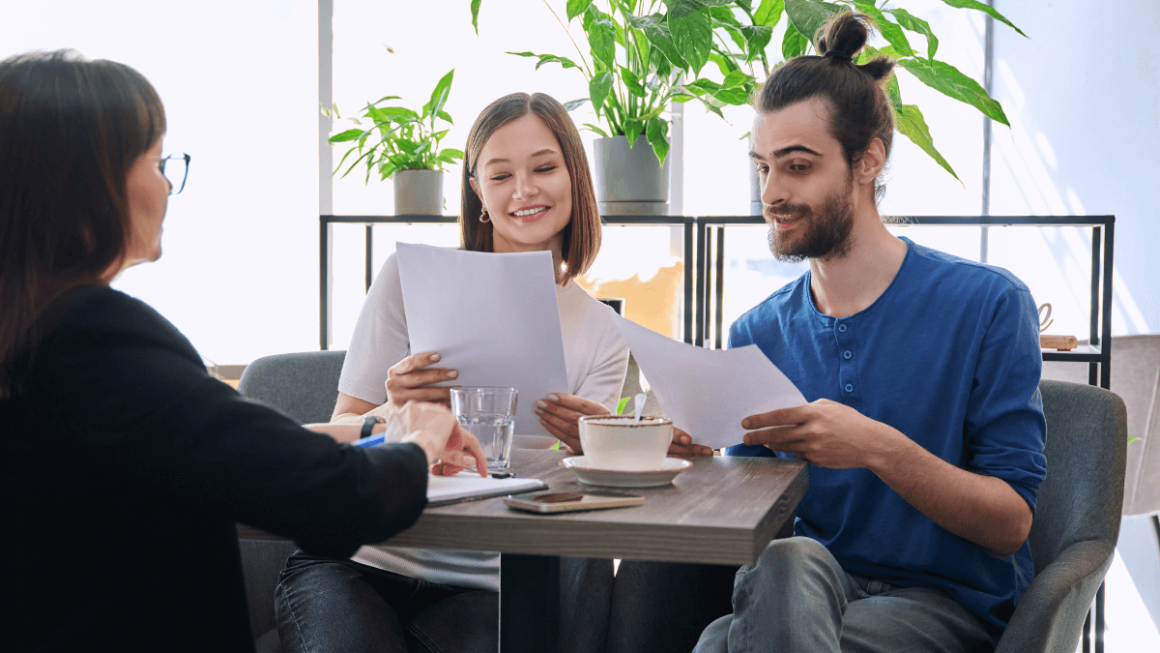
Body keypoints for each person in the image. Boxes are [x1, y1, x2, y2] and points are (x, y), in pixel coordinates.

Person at [0, 50, 487, 652]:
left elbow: (218, 445)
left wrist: (373, 430)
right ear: (88, 184)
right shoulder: (97, 337)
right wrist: (418, 439)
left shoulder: (33, 336)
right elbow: (334, 498)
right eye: (156, 160)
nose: (168, 183)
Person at [690, 12, 1048, 653]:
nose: (770, 193)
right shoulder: (758, 332)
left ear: (868, 160)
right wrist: (687, 462)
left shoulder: (988, 304)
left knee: (723, 645)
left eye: (797, 166)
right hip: (804, 594)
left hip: (946, 607)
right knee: (786, 563)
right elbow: (747, 521)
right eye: (762, 168)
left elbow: (1010, 524)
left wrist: (876, 447)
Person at [276, 92, 665, 653]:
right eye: (500, 175)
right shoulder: (408, 277)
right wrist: (394, 408)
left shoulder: (602, 329)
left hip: (488, 585)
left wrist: (592, 448)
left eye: (544, 168)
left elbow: (574, 505)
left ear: (575, 177)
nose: (523, 190)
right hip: (357, 557)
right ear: (479, 190)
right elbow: (342, 429)